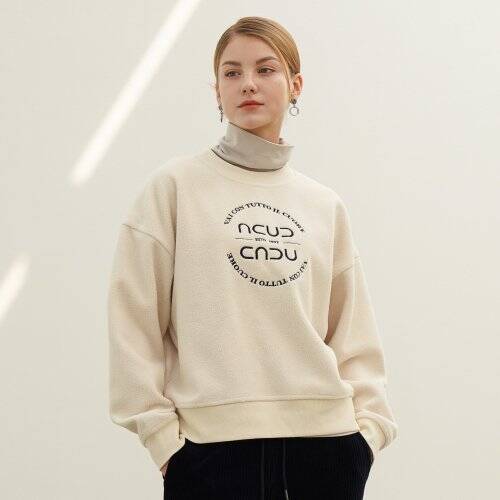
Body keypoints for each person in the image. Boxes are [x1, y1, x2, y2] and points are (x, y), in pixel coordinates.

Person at [107, 16, 398, 500]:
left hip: (327, 450)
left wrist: (368, 433)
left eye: (265, 69)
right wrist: (161, 440)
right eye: (232, 72)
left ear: (295, 85)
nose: (248, 83)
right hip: (210, 454)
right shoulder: (175, 188)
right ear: (217, 91)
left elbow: (353, 330)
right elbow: (133, 321)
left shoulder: (322, 205)